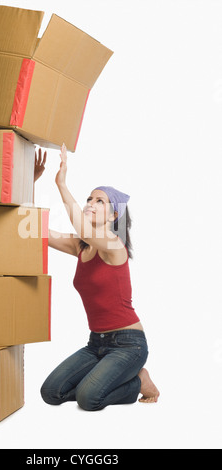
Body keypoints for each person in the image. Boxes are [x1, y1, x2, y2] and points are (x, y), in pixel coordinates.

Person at [34, 145, 160, 411]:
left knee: (88, 399)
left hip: (128, 344)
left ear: (115, 215)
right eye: (89, 199)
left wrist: (61, 184)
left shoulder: (115, 244)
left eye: (99, 201)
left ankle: (139, 381)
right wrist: (29, 184)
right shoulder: (81, 246)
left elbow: (80, 226)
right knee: (51, 393)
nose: (90, 204)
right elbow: (34, 228)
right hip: (96, 344)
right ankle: (103, 380)